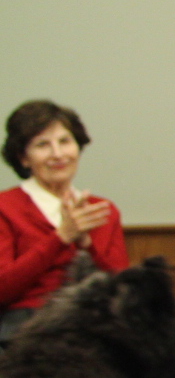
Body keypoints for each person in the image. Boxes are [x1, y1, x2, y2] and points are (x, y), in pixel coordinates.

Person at [0, 100, 128, 343]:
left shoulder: (103, 211)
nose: (58, 154)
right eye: (42, 145)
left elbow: (121, 288)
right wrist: (60, 238)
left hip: (95, 324)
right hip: (26, 326)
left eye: (65, 142)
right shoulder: (5, 207)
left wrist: (87, 244)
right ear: (23, 158)